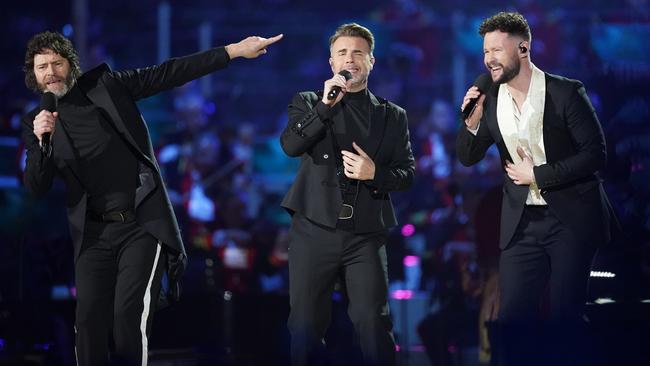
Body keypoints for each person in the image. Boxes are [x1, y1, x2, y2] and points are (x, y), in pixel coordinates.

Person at [21, 30, 282, 366]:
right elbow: (36, 186)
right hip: (92, 233)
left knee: (127, 315)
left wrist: (233, 51)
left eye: (57, 63)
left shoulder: (107, 87)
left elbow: (169, 72)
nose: (51, 71)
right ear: (34, 74)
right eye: (42, 66)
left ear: (71, 65)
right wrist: (44, 141)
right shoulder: (37, 123)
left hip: (140, 222)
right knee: (87, 321)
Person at [456, 12, 616, 366]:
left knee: (564, 318)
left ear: (523, 47)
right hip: (521, 223)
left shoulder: (565, 92)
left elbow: (596, 154)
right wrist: (472, 122)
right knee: (513, 321)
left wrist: (540, 175)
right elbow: (467, 157)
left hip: (569, 219)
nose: (489, 59)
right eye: (485, 52)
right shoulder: (492, 98)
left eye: (497, 50)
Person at [280, 23, 415, 366]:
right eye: (342, 53)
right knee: (305, 325)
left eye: (357, 53)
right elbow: (291, 145)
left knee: (373, 322)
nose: (350, 59)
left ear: (371, 61)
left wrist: (375, 174)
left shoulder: (391, 115)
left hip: (366, 234)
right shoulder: (309, 102)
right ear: (331, 63)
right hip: (314, 229)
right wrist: (325, 107)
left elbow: (407, 174)